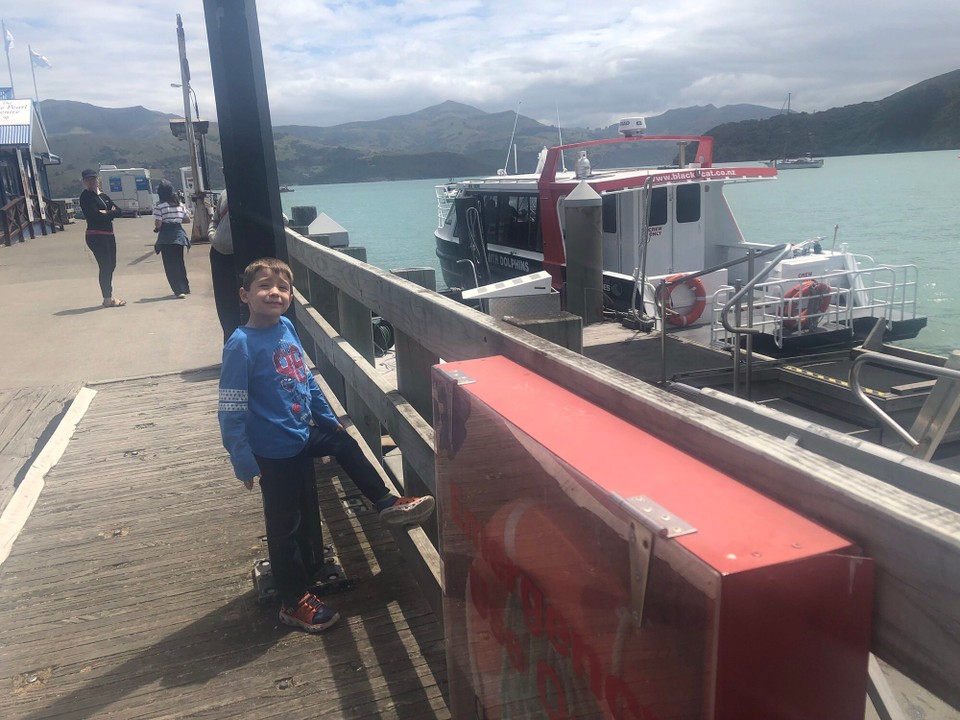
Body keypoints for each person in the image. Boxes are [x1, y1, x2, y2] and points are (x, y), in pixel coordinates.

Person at [218, 257, 435, 633]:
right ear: (244, 295)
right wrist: (242, 459)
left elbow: (305, 377)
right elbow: (231, 408)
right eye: (265, 286)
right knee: (286, 526)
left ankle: (384, 501)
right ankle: (293, 600)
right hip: (273, 450)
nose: (275, 293)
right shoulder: (241, 345)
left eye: (283, 287)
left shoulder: (286, 326)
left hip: (302, 432)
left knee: (344, 443)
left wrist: (323, 414)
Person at [78, 168, 125, 307]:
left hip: (109, 235)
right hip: (95, 235)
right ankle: (107, 298)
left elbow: (120, 212)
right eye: (88, 179)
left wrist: (106, 212)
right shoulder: (86, 196)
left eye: (93, 178)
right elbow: (94, 215)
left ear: (97, 179)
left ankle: (108, 297)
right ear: (84, 182)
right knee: (105, 266)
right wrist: (109, 213)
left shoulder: (104, 196)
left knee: (112, 265)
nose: (91, 181)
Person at [207, 189, 244, 341]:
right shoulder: (227, 193)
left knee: (229, 308)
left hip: (226, 257)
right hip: (224, 255)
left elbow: (215, 222)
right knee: (230, 308)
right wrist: (214, 237)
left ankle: (233, 347)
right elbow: (283, 219)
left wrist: (213, 236)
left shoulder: (225, 192)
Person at [153, 180, 192, 298]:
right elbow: (187, 220)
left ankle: (178, 290)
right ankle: (185, 287)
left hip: (166, 237)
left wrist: (158, 226)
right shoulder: (180, 205)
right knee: (180, 263)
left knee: (170, 265)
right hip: (179, 236)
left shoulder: (160, 206)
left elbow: (158, 224)